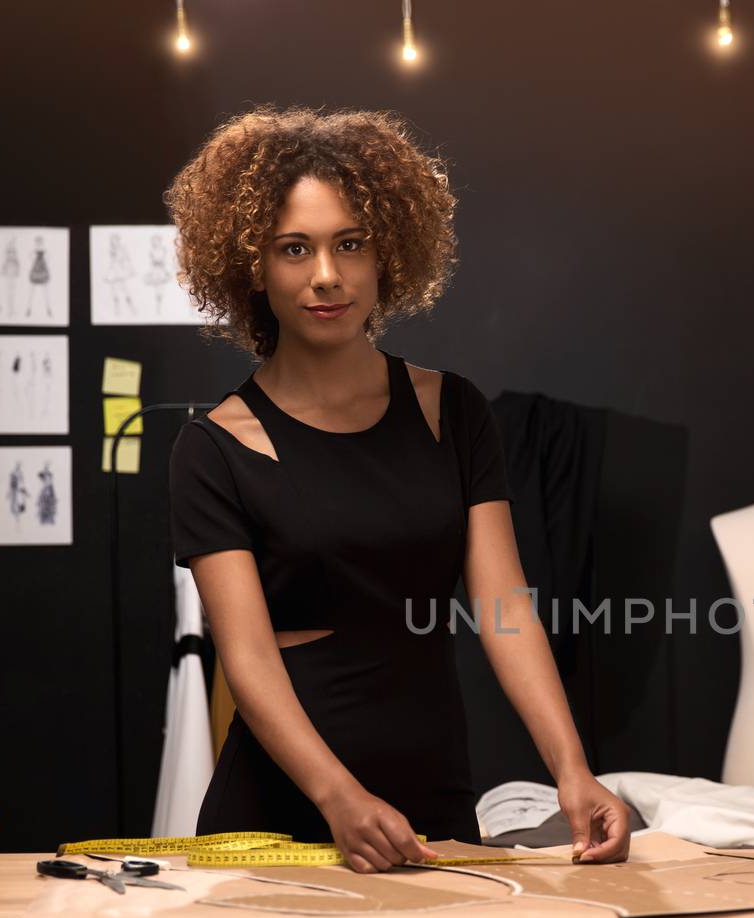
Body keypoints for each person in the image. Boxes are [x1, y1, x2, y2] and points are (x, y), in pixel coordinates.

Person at [163, 104, 631, 873]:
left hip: (433, 797)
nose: (327, 275)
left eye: (351, 244)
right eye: (294, 249)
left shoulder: (454, 412)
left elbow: (505, 608)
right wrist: (338, 797)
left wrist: (571, 770)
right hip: (288, 812)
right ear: (253, 266)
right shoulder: (213, 448)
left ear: (388, 254)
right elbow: (245, 660)